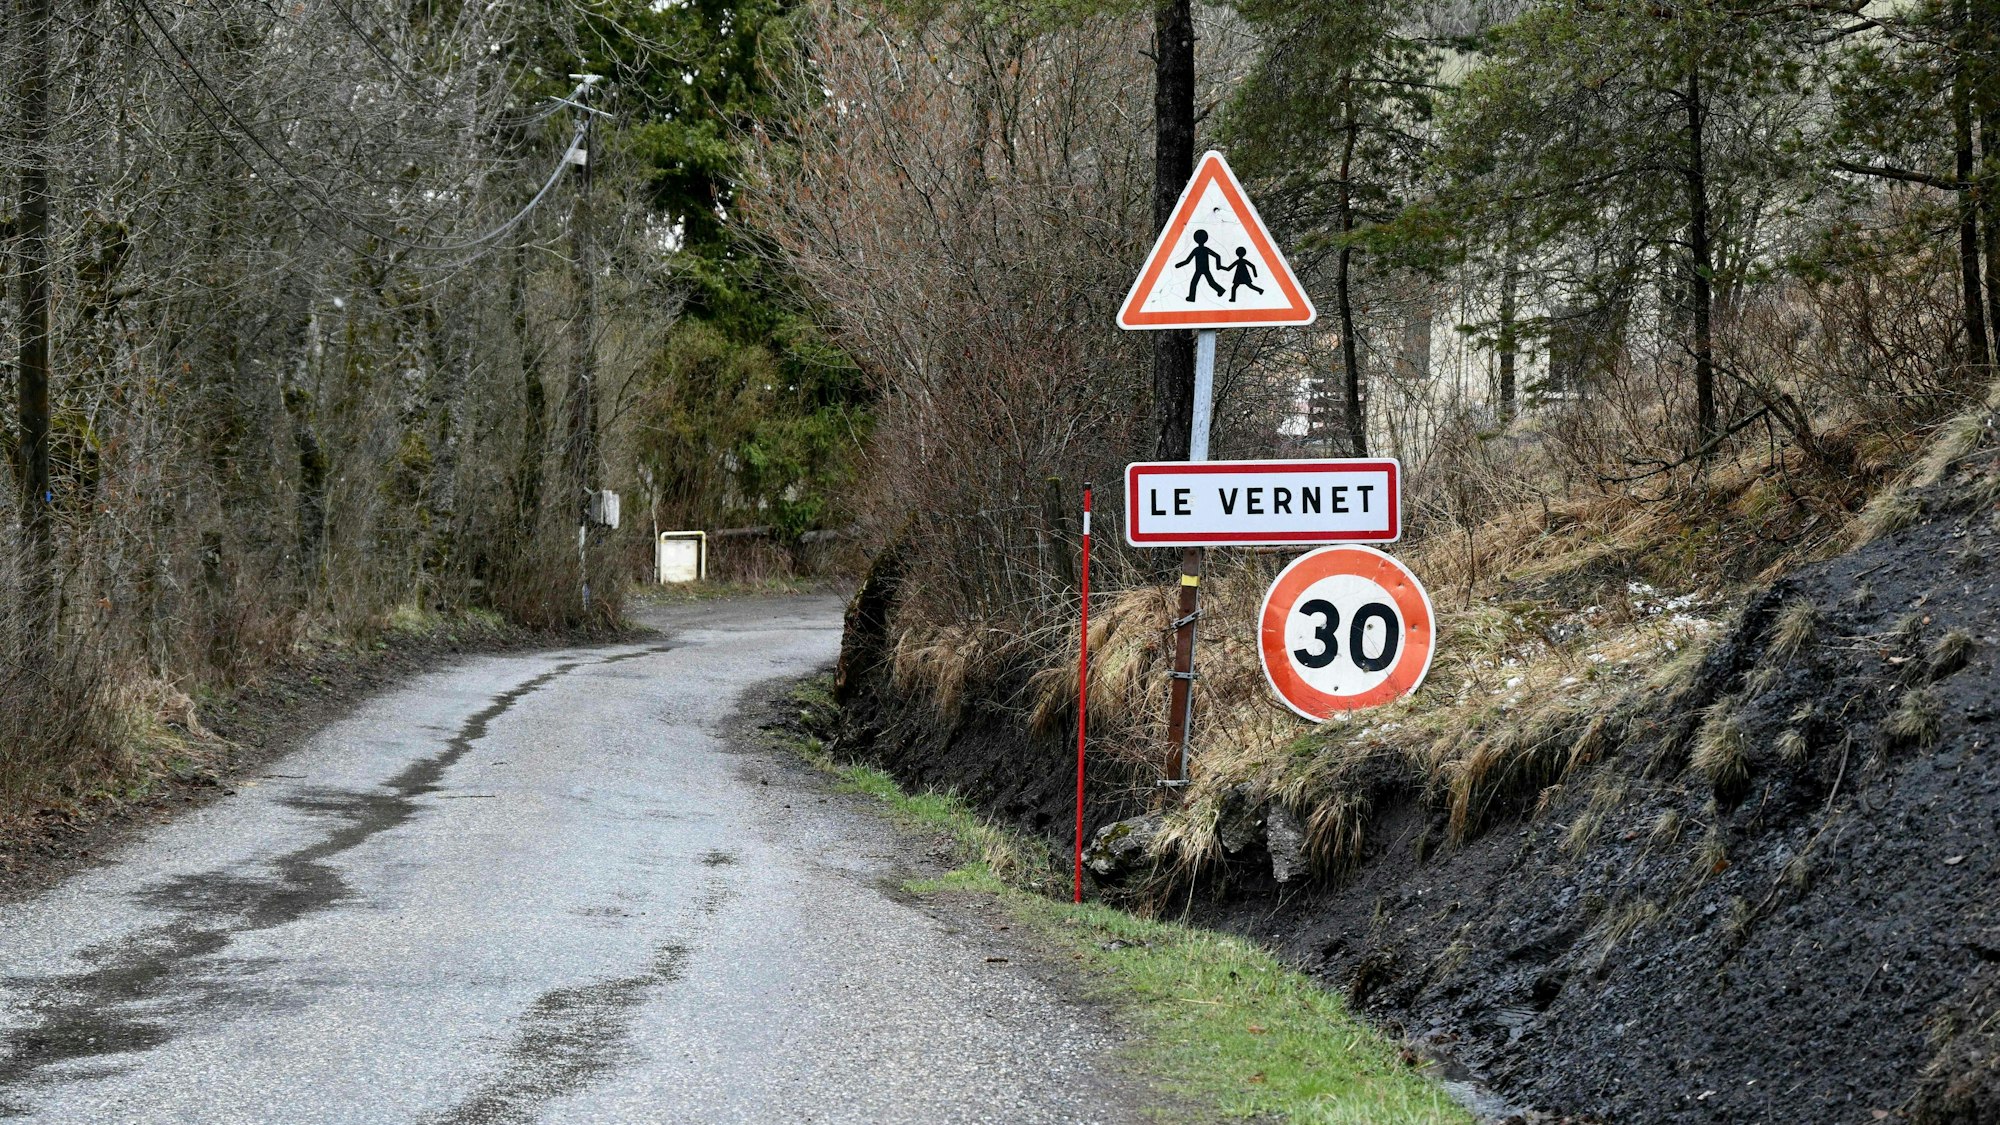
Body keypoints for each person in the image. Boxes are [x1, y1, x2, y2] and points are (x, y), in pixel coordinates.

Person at [1175, 230, 1226, 301]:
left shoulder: (1196, 250)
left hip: (1199, 269)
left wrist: (1178, 265)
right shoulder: (1205, 249)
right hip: (1204, 269)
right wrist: (1218, 266)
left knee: (1194, 283)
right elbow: (1217, 256)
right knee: (1210, 282)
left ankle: (1192, 297)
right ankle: (1220, 290)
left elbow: (1187, 261)